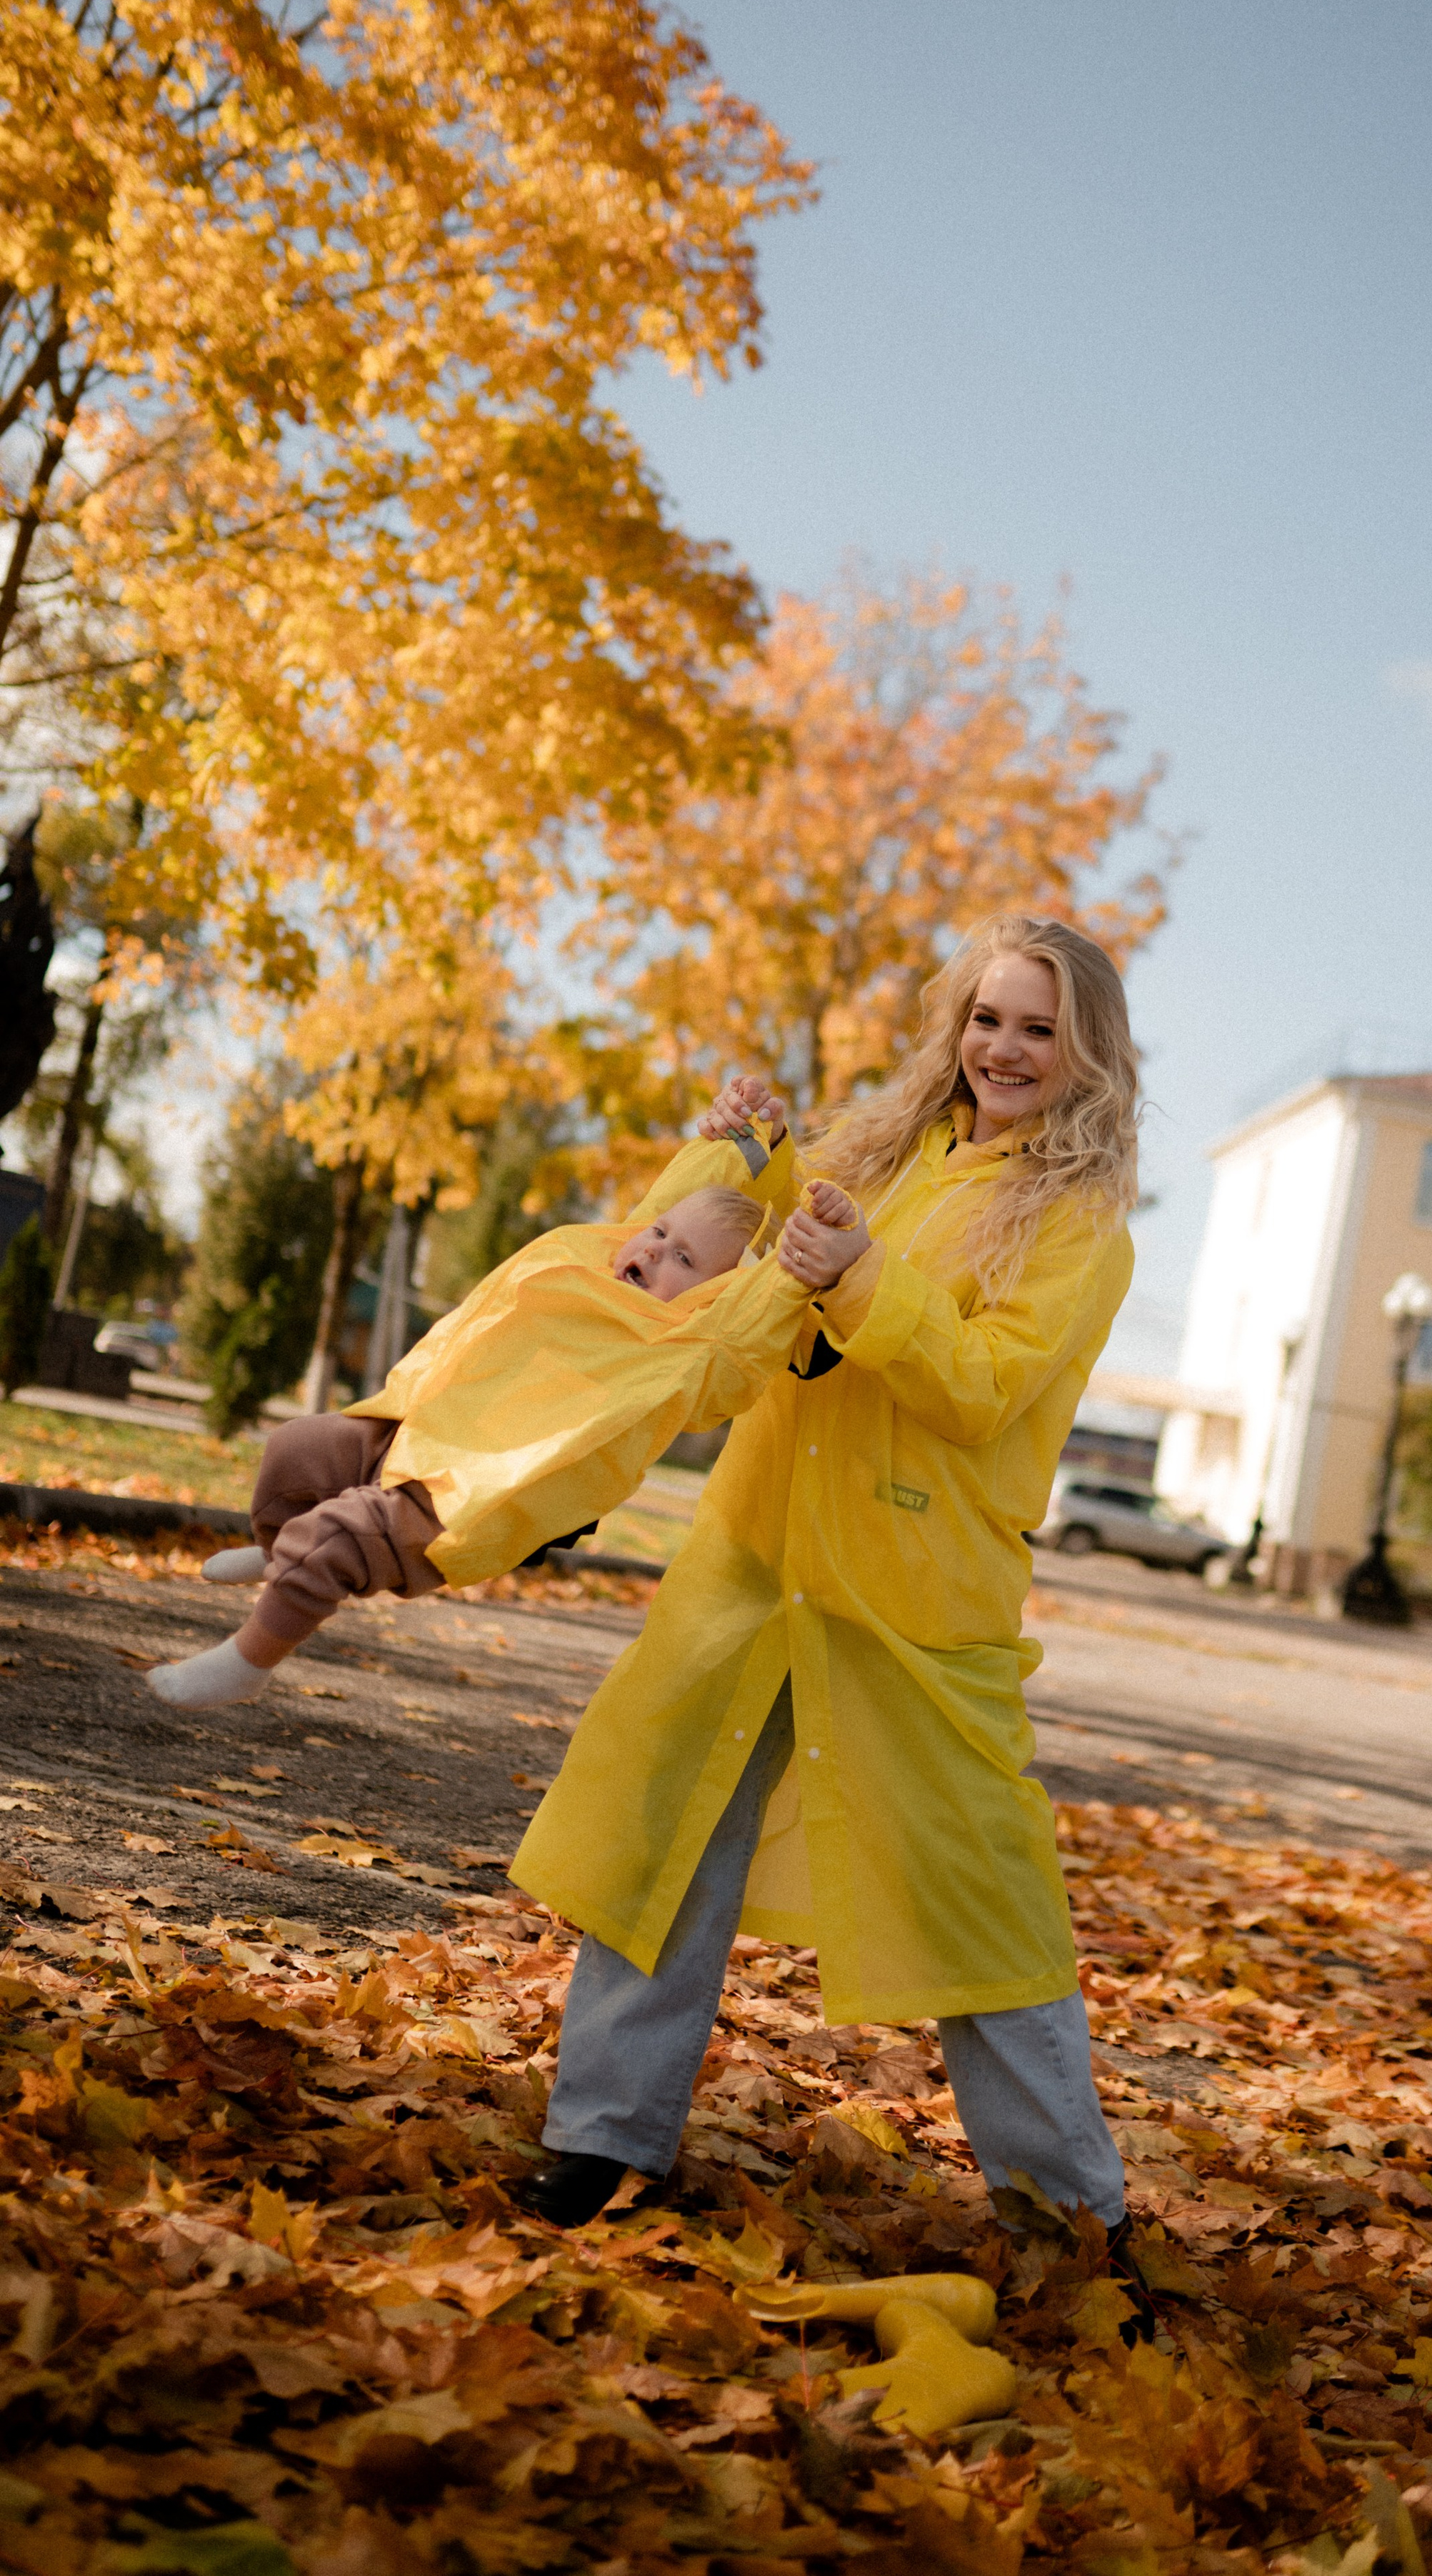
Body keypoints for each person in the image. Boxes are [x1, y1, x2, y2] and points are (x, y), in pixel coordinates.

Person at [513, 915, 1153, 2316]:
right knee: (663, 1838)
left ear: (1085, 1050)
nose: (1003, 1047)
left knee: (977, 1899)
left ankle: (1071, 2219)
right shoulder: (879, 1152)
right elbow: (732, 1265)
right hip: (754, 1553)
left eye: (1037, 1028)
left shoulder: (1079, 1226)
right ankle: (602, 2141)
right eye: (987, 1017)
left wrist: (859, 1270)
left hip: (913, 1601)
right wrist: (740, 1148)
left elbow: (981, 1381)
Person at [143, 1148, 858, 1709]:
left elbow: (753, 1324)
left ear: (715, 1299)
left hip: (473, 1498)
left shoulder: (693, 1352)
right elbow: (667, 1204)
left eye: (684, 1259)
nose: (655, 1249)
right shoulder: (591, 1267)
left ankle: (248, 1661)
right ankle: (277, 1559)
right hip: (415, 1426)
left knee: (335, 1540)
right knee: (295, 1454)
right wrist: (738, 1140)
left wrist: (807, 1252)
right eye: (658, 1234)